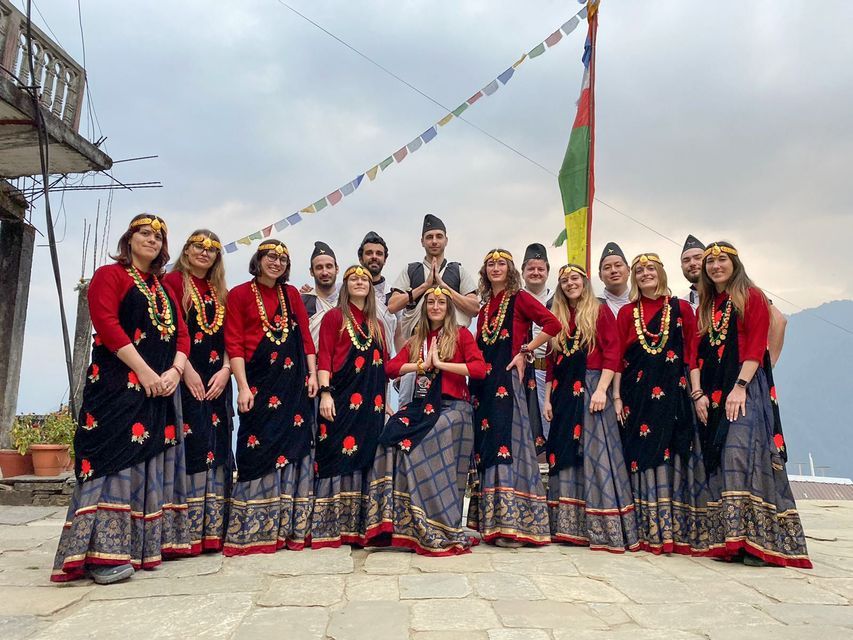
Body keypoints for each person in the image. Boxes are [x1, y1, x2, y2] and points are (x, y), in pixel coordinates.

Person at [52, 214, 191, 583]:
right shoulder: (109, 275)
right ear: (129, 239)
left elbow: (182, 336)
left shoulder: (163, 288)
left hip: (159, 388)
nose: (152, 240)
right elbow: (107, 324)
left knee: (146, 463)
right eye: (144, 233)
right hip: (116, 385)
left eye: (159, 237)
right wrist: (144, 371)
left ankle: (140, 548)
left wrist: (175, 372)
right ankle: (100, 555)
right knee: (111, 460)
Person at [694, 242, 810, 567]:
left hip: (743, 387)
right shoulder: (710, 304)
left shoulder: (751, 295)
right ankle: (733, 541)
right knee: (722, 458)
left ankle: (759, 543)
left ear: (735, 264)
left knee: (744, 454)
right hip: (716, 390)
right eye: (710, 262)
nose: (716, 266)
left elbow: (758, 342)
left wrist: (742, 385)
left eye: (722, 260)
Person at [373, 287, 487, 555]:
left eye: (441, 303)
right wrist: (421, 366)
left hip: (454, 408)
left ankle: (438, 522)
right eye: (431, 302)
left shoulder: (460, 334)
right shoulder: (418, 339)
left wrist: (441, 364)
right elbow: (390, 368)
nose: (436, 307)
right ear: (424, 308)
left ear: (449, 308)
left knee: (422, 443)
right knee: (388, 439)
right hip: (423, 406)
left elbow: (479, 369)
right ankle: (401, 524)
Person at [223, 239, 317, 555]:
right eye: (270, 257)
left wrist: (313, 374)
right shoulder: (239, 294)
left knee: (294, 447)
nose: (276, 263)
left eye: (282, 259)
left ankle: (291, 528)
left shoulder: (291, 295)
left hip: (293, 384)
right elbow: (234, 343)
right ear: (258, 260)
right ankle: (255, 530)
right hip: (258, 382)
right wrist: (242, 386)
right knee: (256, 448)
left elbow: (305, 338)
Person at [613, 253, 707, 555]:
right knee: (641, 455)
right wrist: (616, 396)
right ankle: (649, 532)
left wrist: (696, 391)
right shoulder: (627, 312)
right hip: (636, 396)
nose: (645, 274)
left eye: (650, 269)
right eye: (640, 270)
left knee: (675, 452)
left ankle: (678, 533)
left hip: (675, 394)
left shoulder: (681, 308)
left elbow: (692, 353)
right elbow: (617, 358)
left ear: (661, 273)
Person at [467, 249, 561, 547]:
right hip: (483, 386)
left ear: (510, 269)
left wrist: (526, 350)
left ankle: (515, 525)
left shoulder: (520, 298)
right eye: (490, 264)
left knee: (509, 444)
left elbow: (552, 324)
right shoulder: (484, 309)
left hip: (508, 382)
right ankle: (492, 524)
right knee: (488, 447)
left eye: (501, 264)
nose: (496, 268)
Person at [543, 264, 639, 552]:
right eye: (564, 280)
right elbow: (551, 362)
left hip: (593, 386)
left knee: (595, 453)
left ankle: (603, 528)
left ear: (584, 282)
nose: (570, 283)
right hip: (562, 393)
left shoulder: (599, 311)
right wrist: (546, 399)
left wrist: (601, 389)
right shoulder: (557, 317)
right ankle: (568, 527)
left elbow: (613, 352)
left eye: (574, 278)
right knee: (564, 452)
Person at [164, 230, 233, 555]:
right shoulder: (173, 283)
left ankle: (212, 532)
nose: (205, 252)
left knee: (216, 445)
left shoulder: (221, 292)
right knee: (190, 444)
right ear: (187, 250)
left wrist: (226, 370)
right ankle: (183, 533)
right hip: (184, 373)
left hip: (218, 378)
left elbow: (233, 338)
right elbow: (171, 331)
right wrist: (186, 370)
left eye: (212, 248)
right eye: (198, 246)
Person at [313, 265, 390, 548]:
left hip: (372, 405)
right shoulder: (334, 317)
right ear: (345, 286)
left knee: (366, 456)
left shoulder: (377, 324)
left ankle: (360, 528)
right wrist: (325, 393)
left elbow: (383, 368)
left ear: (371, 287)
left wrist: (386, 404)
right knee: (336, 453)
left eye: (364, 279)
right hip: (340, 398)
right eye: (353, 279)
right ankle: (331, 527)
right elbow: (324, 357)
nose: (359, 282)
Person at [521, 242, 553, 438]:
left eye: (540, 269)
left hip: (550, 372)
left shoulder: (558, 301)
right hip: (522, 372)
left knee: (551, 423)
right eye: (531, 269)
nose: (535, 273)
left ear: (547, 272)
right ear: (522, 272)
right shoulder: (515, 300)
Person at [358, 231, 397, 359]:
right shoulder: (344, 290)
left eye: (379, 254)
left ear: (385, 259)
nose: (374, 257)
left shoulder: (393, 295)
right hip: (350, 366)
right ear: (360, 258)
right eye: (369, 253)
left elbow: (399, 334)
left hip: (383, 363)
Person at [302, 241, 340, 350]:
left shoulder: (347, 302)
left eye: (329, 266)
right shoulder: (302, 303)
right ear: (311, 271)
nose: (324, 272)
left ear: (337, 269)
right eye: (319, 267)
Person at [598, 242, 631, 317]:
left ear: (628, 270)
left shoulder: (641, 302)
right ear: (600, 276)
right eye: (607, 267)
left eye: (618, 265)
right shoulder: (592, 306)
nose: (613, 270)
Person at [680, 234, 705, 311]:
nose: (692, 263)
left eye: (698, 258)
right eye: (686, 260)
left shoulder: (730, 296)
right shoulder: (681, 306)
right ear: (681, 267)